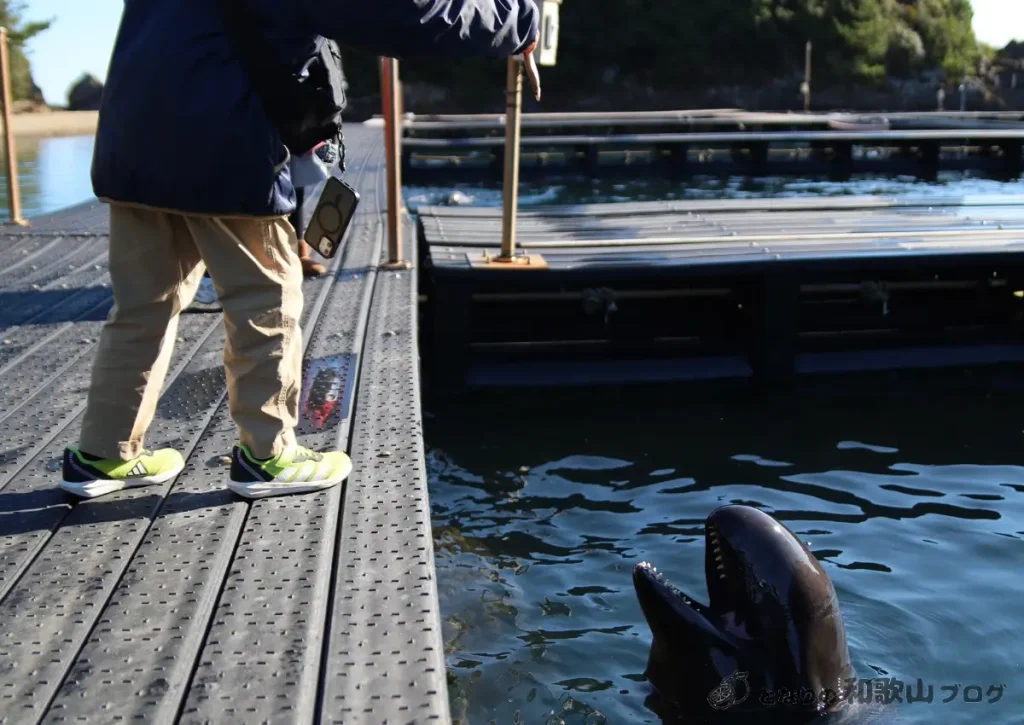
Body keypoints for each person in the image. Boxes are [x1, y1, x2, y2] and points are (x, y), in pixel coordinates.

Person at [59, 0, 540, 500]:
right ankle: (268, 457)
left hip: (134, 134)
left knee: (143, 303)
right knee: (265, 299)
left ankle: (103, 454)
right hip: (225, 139)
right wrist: (519, 19)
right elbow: (401, 13)